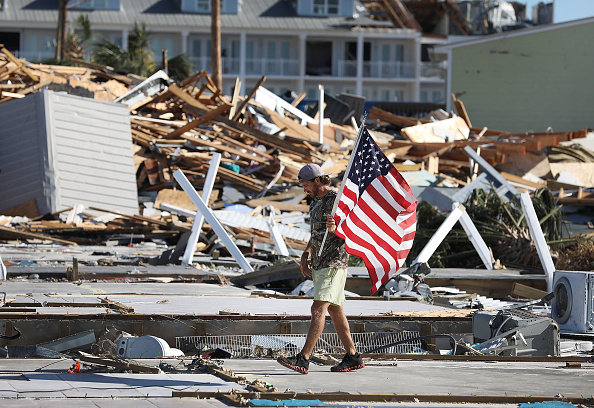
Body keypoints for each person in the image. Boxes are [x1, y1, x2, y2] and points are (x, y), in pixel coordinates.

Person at [277, 163, 364, 374]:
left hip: (334, 262)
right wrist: (306, 253)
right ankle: (353, 356)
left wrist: (338, 229)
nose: (304, 189)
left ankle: (303, 358)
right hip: (319, 262)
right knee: (335, 309)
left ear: (317, 180)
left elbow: (354, 230)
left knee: (318, 308)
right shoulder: (315, 203)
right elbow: (315, 234)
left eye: (306, 185)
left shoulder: (338, 200)